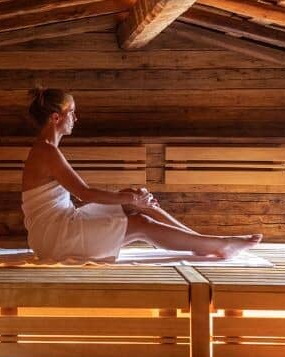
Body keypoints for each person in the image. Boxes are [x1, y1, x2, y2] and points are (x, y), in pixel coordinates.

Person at [19, 87, 264, 262]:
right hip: (54, 237)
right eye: (72, 112)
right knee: (139, 223)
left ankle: (199, 241)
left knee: (132, 198)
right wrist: (130, 201)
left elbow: (85, 195)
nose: (75, 118)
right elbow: (84, 193)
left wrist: (130, 198)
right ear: (55, 117)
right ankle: (218, 246)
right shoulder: (46, 151)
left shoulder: (47, 149)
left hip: (60, 224)